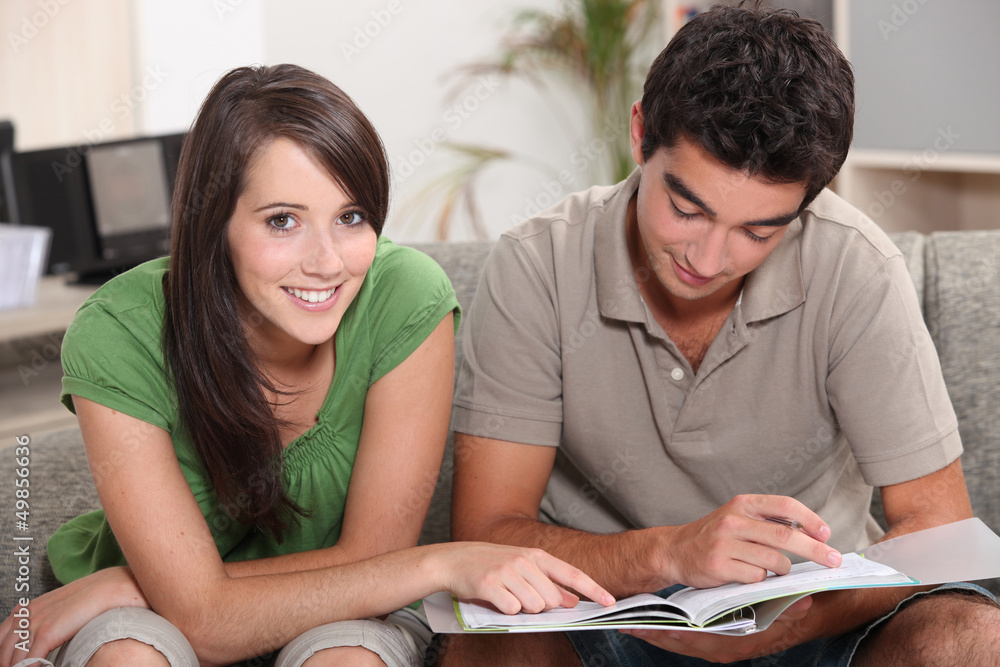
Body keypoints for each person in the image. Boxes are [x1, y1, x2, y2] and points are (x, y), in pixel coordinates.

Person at [439, 4, 1000, 666]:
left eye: (758, 231)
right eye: (686, 208)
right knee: (487, 650)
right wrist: (666, 553)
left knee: (971, 639)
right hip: (606, 615)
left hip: (814, 615)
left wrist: (794, 622)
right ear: (641, 134)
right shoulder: (537, 265)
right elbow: (484, 531)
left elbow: (937, 527)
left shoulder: (857, 267)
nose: (706, 260)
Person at [0, 64, 613, 667]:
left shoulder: (405, 298)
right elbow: (204, 623)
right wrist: (439, 563)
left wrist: (152, 586)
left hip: (349, 609)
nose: (326, 262)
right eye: (282, 221)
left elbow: (374, 556)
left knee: (347, 658)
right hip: (154, 617)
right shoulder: (119, 332)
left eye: (350, 217)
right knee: (127, 657)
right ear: (213, 225)